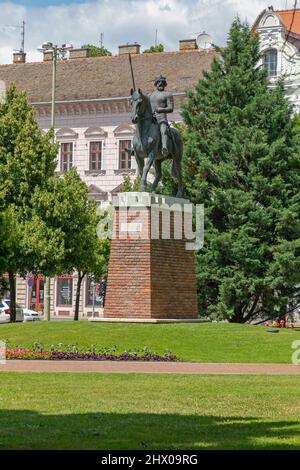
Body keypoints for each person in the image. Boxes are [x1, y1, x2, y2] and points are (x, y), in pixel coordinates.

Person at [149, 75, 174, 156]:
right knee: (140, 128)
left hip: (161, 119)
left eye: (162, 82)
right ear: (156, 84)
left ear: (165, 84)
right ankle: (134, 149)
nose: (160, 84)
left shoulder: (167, 94)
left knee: (163, 131)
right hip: (151, 119)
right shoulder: (150, 95)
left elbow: (170, 108)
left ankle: (164, 147)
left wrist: (161, 109)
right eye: (158, 82)